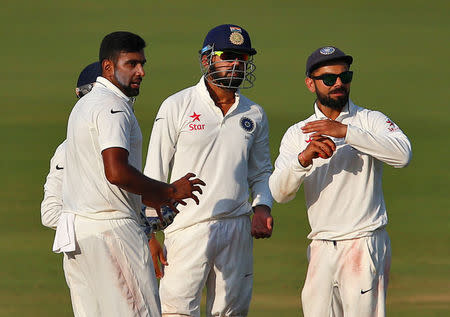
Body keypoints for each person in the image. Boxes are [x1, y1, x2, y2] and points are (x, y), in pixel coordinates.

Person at [57, 31, 205, 317]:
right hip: (112, 232)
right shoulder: (113, 106)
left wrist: (149, 199)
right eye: (132, 64)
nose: (141, 72)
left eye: (142, 63)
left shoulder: (83, 106)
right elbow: (116, 171)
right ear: (108, 67)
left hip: (78, 235)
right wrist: (169, 191)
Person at [269, 46, 412, 317]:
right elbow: (279, 193)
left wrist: (346, 132)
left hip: (363, 241)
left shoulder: (370, 120)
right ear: (310, 84)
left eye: (345, 78)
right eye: (329, 79)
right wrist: (303, 160)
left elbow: (403, 154)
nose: (338, 84)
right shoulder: (297, 133)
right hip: (321, 246)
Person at [143, 24, 273, 317]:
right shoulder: (177, 105)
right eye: (228, 55)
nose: (237, 64)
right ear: (206, 59)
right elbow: (153, 174)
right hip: (187, 228)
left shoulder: (254, 114)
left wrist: (262, 206)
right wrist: (149, 235)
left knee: (232, 312)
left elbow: (262, 171)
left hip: (237, 226)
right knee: (176, 312)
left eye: (243, 58)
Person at [41, 61, 102, 230]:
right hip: (90, 249)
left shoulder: (126, 142)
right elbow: (50, 214)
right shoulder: (67, 149)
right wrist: (103, 226)